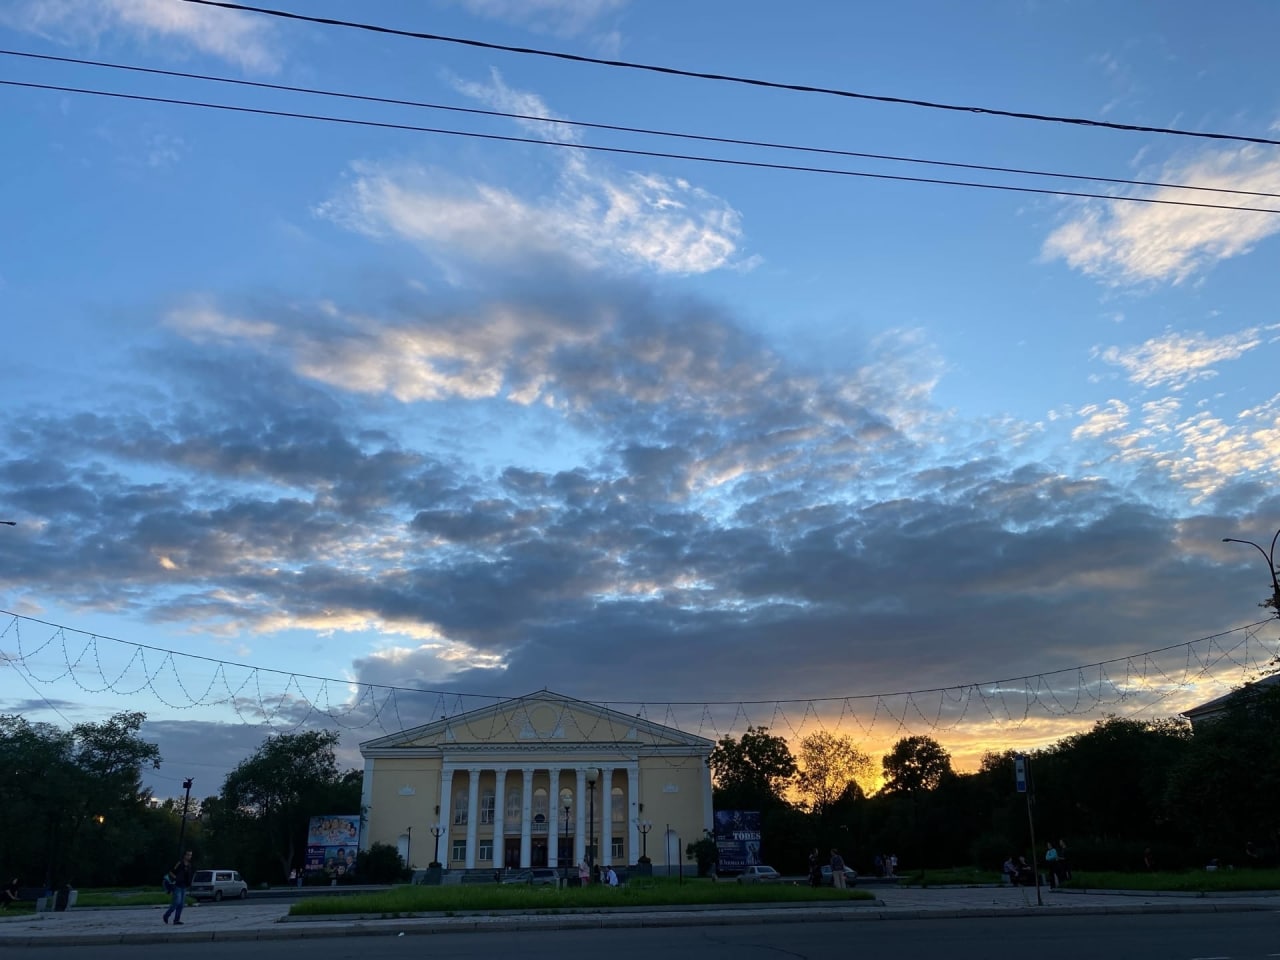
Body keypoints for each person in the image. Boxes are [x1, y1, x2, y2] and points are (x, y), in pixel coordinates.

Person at [163, 851, 193, 925]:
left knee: (181, 904)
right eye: (188, 855)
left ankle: (176, 920)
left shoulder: (189, 865)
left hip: (184, 886)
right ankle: (166, 915)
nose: (189, 856)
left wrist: (189, 883)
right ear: (185, 855)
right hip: (177, 886)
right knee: (176, 902)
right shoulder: (179, 863)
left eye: (191, 855)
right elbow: (171, 872)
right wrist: (176, 878)